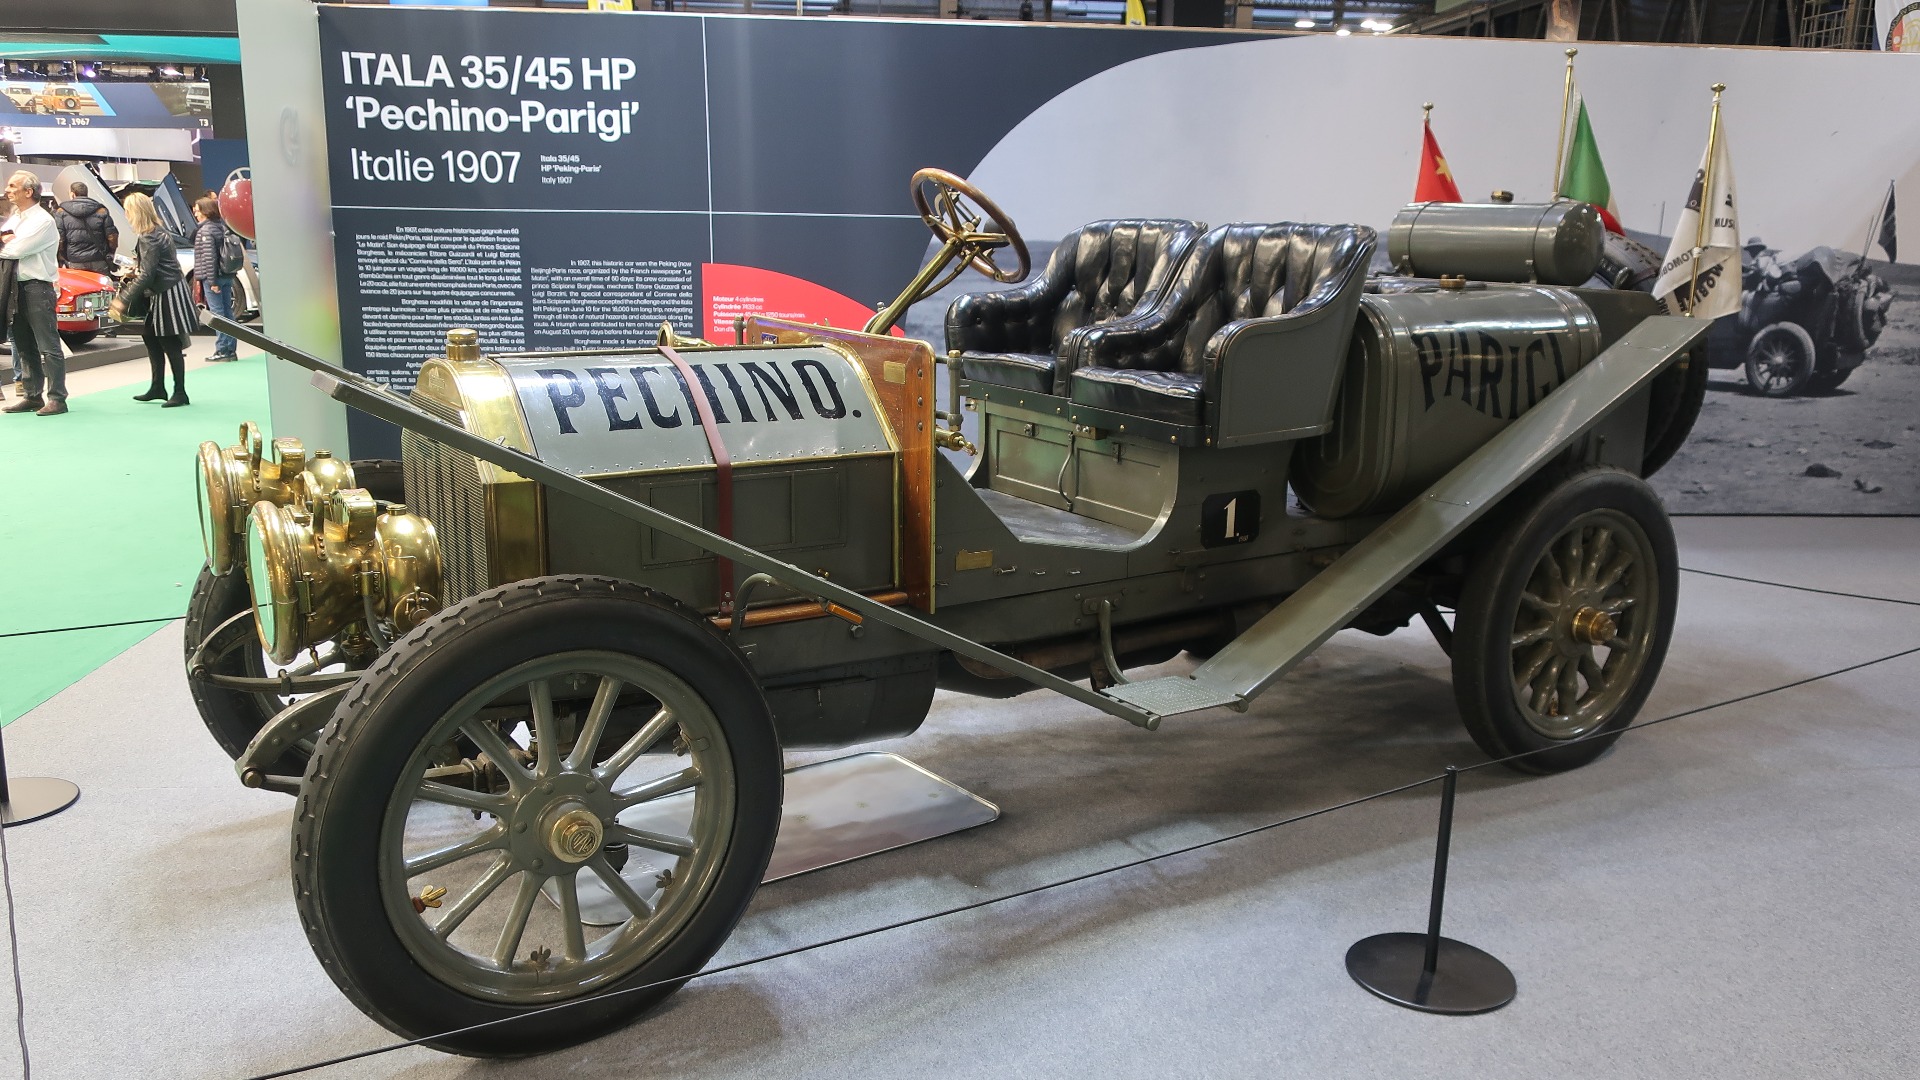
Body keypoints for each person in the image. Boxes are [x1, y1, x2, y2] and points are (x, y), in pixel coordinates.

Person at [113, 192, 196, 407]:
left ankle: (180, 392)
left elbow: (147, 274)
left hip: (165, 293)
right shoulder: (159, 232)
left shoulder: (148, 237)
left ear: (136, 212)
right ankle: (159, 387)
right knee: (152, 337)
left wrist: (124, 298)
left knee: (169, 342)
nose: (127, 215)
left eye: (128, 211)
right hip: (169, 290)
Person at [1, 169, 66, 416]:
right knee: (24, 344)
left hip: (37, 288)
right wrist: (7, 240)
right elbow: (7, 242)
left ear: (28, 191)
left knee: (48, 346)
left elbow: (14, 249)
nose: (7, 190)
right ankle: (32, 395)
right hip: (15, 287)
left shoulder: (43, 221)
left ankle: (58, 398)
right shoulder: (16, 218)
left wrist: (8, 241)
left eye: (12, 186)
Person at [192, 194, 237, 362]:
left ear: (205, 211)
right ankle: (230, 349)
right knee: (228, 312)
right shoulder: (222, 227)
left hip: (214, 278)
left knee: (217, 315)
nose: (195, 214)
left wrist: (211, 282)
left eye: (197, 211)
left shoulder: (205, 231)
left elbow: (209, 258)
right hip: (226, 275)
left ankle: (222, 350)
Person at [55, 180, 117, 274]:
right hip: (99, 260)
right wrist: (110, 252)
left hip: (75, 261)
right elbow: (112, 236)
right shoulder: (101, 210)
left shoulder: (61, 212)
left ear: (72, 194)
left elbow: (60, 239)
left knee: (80, 287)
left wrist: (65, 256)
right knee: (102, 288)